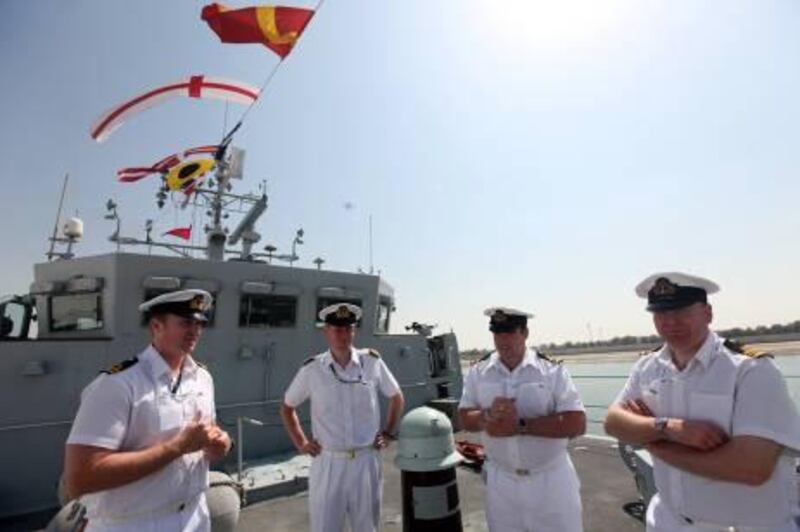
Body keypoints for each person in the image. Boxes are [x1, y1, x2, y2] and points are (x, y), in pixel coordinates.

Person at [604, 272, 800, 531]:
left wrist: (657, 447)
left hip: (744, 526)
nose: (671, 322)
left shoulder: (751, 370)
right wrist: (667, 428)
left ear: (708, 313)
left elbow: (751, 468)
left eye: (683, 311)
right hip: (668, 521)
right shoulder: (648, 367)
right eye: (661, 314)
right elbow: (613, 422)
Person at [64, 289, 232, 531]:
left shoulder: (202, 378)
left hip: (195, 516)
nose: (195, 330)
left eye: (199, 323)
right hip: (132, 523)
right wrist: (177, 447)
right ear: (156, 326)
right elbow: (81, 479)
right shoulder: (117, 384)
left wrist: (222, 442)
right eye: (186, 322)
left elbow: (208, 431)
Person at [280, 303, 405, 532]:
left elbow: (397, 397)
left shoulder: (372, 362)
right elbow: (287, 407)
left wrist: (388, 433)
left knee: (367, 527)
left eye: (348, 329)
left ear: (354, 332)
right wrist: (301, 443)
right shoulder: (312, 369)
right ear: (326, 331)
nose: (343, 335)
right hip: (329, 462)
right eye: (337, 329)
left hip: (366, 460)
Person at [459, 307, 586, 532]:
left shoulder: (551, 371)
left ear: (525, 333)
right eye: (497, 333)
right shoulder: (479, 372)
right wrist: (487, 416)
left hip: (551, 482)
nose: (502, 340)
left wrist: (520, 426)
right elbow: (465, 417)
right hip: (501, 485)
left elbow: (577, 422)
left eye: (510, 332)